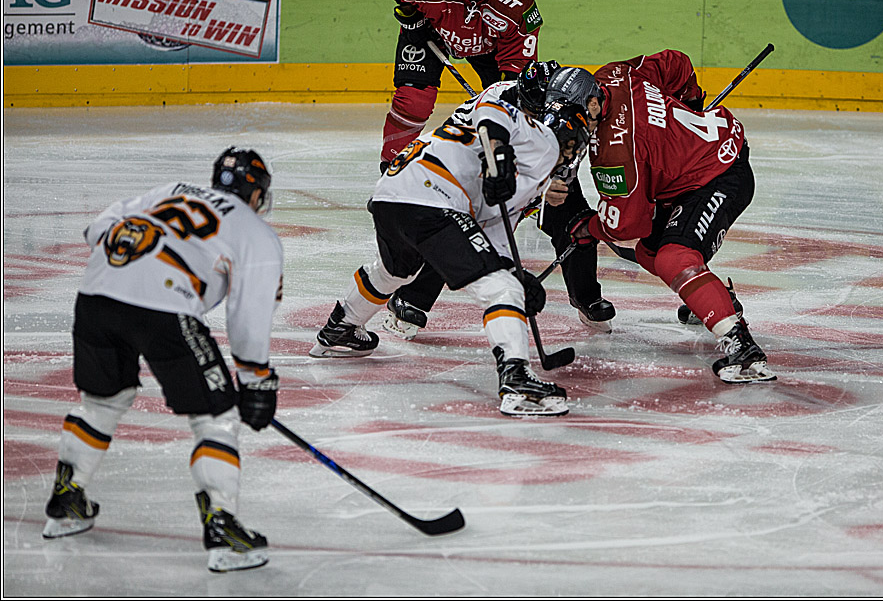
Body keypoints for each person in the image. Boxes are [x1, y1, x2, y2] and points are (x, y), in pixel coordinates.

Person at [40, 148, 284, 572]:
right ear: (257, 195)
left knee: (102, 400)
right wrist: (256, 379)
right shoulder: (255, 232)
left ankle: (67, 500)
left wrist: (132, 266)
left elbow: (98, 227)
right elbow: (249, 312)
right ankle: (223, 529)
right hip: (163, 307)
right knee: (217, 413)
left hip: (96, 294)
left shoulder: (170, 191)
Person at [309, 95, 591, 416]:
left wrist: (515, 273)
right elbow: (494, 107)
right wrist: (511, 282)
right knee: (500, 289)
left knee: (396, 272)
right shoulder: (539, 143)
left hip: (392, 192)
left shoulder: (513, 147)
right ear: (569, 144)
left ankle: (340, 328)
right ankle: (517, 384)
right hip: (432, 195)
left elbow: (492, 231)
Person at [556, 57, 775, 383]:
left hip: (720, 174)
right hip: (698, 165)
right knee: (651, 250)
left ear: (591, 103)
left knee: (674, 256)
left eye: (577, 120)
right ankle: (711, 297)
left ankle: (741, 345)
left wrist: (587, 226)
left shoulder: (614, 154)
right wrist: (692, 101)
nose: (575, 130)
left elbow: (626, 226)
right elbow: (676, 63)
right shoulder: (615, 74)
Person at [382, 60, 615, 338]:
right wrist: (537, 189)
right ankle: (410, 299)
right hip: (478, 172)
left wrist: (553, 182)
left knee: (576, 223)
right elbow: (473, 159)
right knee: (461, 228)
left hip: (535, 170)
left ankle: (586, 297)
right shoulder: (495, 102)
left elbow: (565, 154)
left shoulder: (563, 104)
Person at [378, 0, 543, 166]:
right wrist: (411, 14)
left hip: (489, 46)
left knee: (512, 105)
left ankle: (500, 166)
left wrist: (506, 100)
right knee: (414, 101)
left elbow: (520, 59)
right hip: (432, 32)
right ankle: (393, 167)